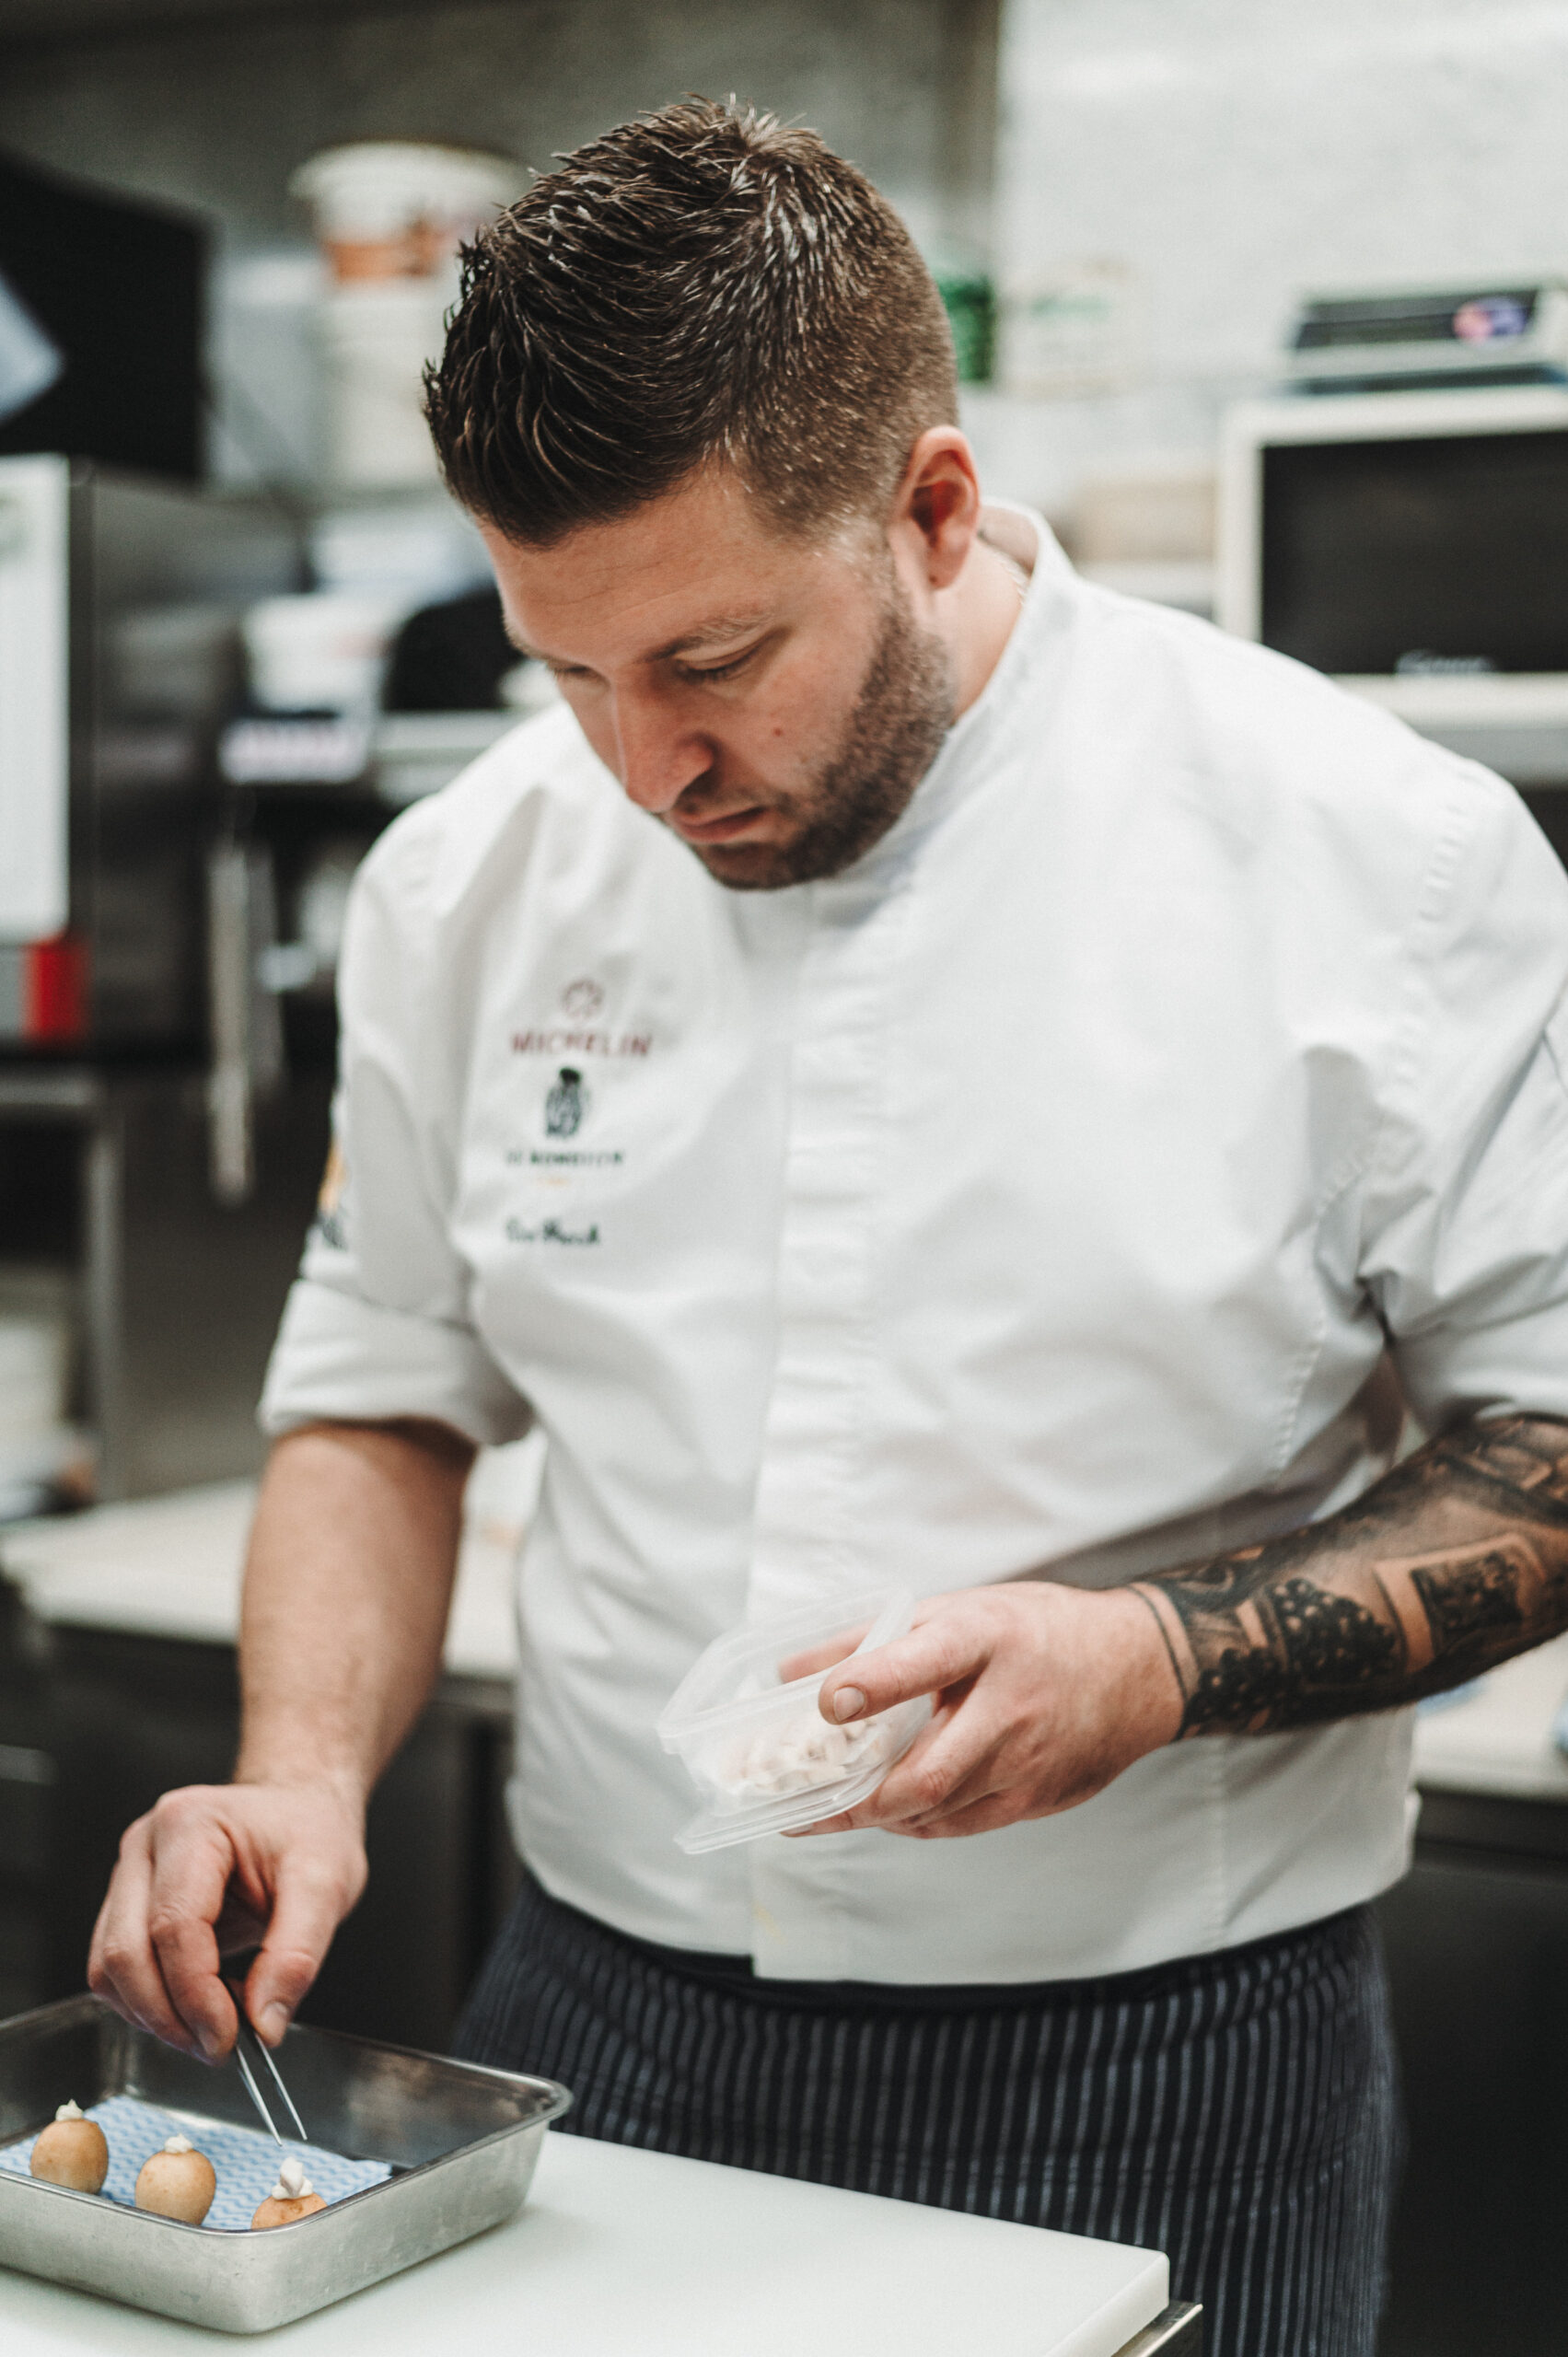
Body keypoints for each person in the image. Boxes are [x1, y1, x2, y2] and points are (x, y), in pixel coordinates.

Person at [90, 100, 1568, 2355]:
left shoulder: (1384, 860)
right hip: (600, 2003)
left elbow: (1547, 1435)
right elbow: (383, 1386)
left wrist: (1156, 1657)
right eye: (563, 668)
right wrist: (297, 1764)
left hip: (1164, 2042)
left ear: (933, 505)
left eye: (710, 657)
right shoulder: (464, 881)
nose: (639, 765)